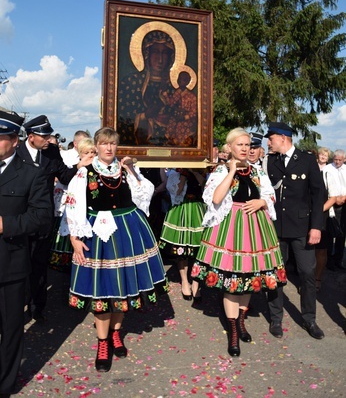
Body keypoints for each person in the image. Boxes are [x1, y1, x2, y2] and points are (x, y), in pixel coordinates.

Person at [59, 127, 169, 372]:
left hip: (128, 231)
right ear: (96, 146)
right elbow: (73, 205)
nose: (109, 148)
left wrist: (131, 170)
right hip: (97, 233)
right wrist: (75, 238)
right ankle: (102, 342)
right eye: (104, 143)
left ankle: (116, 333)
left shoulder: (125, 169)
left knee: (123, 286)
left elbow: (144, 193)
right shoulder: (83, 174)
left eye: (113, 144)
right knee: (103, 288)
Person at [192, 127, 286, 357]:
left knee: (249, 279)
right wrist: (231, 171)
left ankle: (241, 321)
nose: (245, 149)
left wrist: (262, 203)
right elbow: (215, 198)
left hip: (256, 228)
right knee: (233, 280)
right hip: (230, 228)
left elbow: (270, 195)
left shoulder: (257, 171)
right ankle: (234, 330)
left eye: (247, 145)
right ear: (230, 147)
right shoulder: (220, 170)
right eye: (240, 145)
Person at [16, 115, 90, 322]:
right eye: (44, 136)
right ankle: (18, 305)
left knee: (39, 265)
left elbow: (64, 177)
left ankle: (37, 307)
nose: (48, 139)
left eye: (49, 135)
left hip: (42, 220)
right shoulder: (15, 153)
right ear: (31, 137)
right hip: (20, 220)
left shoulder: (51, 152)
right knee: (20, 264)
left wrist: (79, 165)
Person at [0, 110, 52, 397]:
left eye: (0, 139)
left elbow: (42, 216)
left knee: (10, 330)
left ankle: (5, 384)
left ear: (14, 141)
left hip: (10, 263)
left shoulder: (31, 174)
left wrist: (6, 224)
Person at [264, 122, 325, 340]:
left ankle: (309, 319)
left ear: (282, 138)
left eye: (270, 138)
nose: (268, 142)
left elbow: (319, 195)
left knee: (307, 274)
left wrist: (316, 226)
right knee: (277, 274)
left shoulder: (307, 160)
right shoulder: (270, 161)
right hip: (277, 228)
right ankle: (276, 318)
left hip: (302, 228)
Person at [117, 30, 176, 146]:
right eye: (155, 52)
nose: (160, 59)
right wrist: (144, 116)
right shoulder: (131, 82)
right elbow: (123, 118)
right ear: (146, 54)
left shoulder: (173, 87)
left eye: (164, 53)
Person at [159, 168, 206, 303]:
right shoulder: (176, 172)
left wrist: (195, 172)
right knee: (180, 248)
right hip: (181, 209)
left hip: (198, 209)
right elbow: (177, 191)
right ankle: (185, 280)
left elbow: (205, 186)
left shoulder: (203, 170)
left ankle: (196, 281)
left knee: (199, 249)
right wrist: (184, 175)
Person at [50, 138, 96, 272]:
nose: (91, 155)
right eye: (87, 152)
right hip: (72, 205)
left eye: (93, 152)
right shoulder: (74, 166)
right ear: (81, 153)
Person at [315, 147, 338, 290]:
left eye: (325, 155)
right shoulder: (310, 168)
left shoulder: (330, 172)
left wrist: (318, 211)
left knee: (321, 249)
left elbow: (333, 197)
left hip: (323, 215)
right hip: (308, 215)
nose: (323, 156)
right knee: (308, 250)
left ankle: (318, 278)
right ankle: (308, 280)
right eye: (321, 154)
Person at [161, 70, 198, 146]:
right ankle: (168, 140)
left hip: (187, 120)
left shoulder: (192, 96)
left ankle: (181, 143)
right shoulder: (177, 92)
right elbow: (171, 103)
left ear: (187, 82)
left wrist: (184, 117)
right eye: (180, 79)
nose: (181, 81)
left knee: (180, 126)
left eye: (184, 80)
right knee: (171, 122)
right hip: (176, 117)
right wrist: (165, 93)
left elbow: (194, 112)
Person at [324, 149, 346, 270]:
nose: (337, 162)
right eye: (335, 159)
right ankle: (329, 260)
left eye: (340, 160)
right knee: (330, 233)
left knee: (341, 234)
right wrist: (334, 198)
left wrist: (344, 198)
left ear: (344, 159)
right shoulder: (327, 169)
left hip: (344, 205)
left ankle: (339, 259)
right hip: (331, 204)